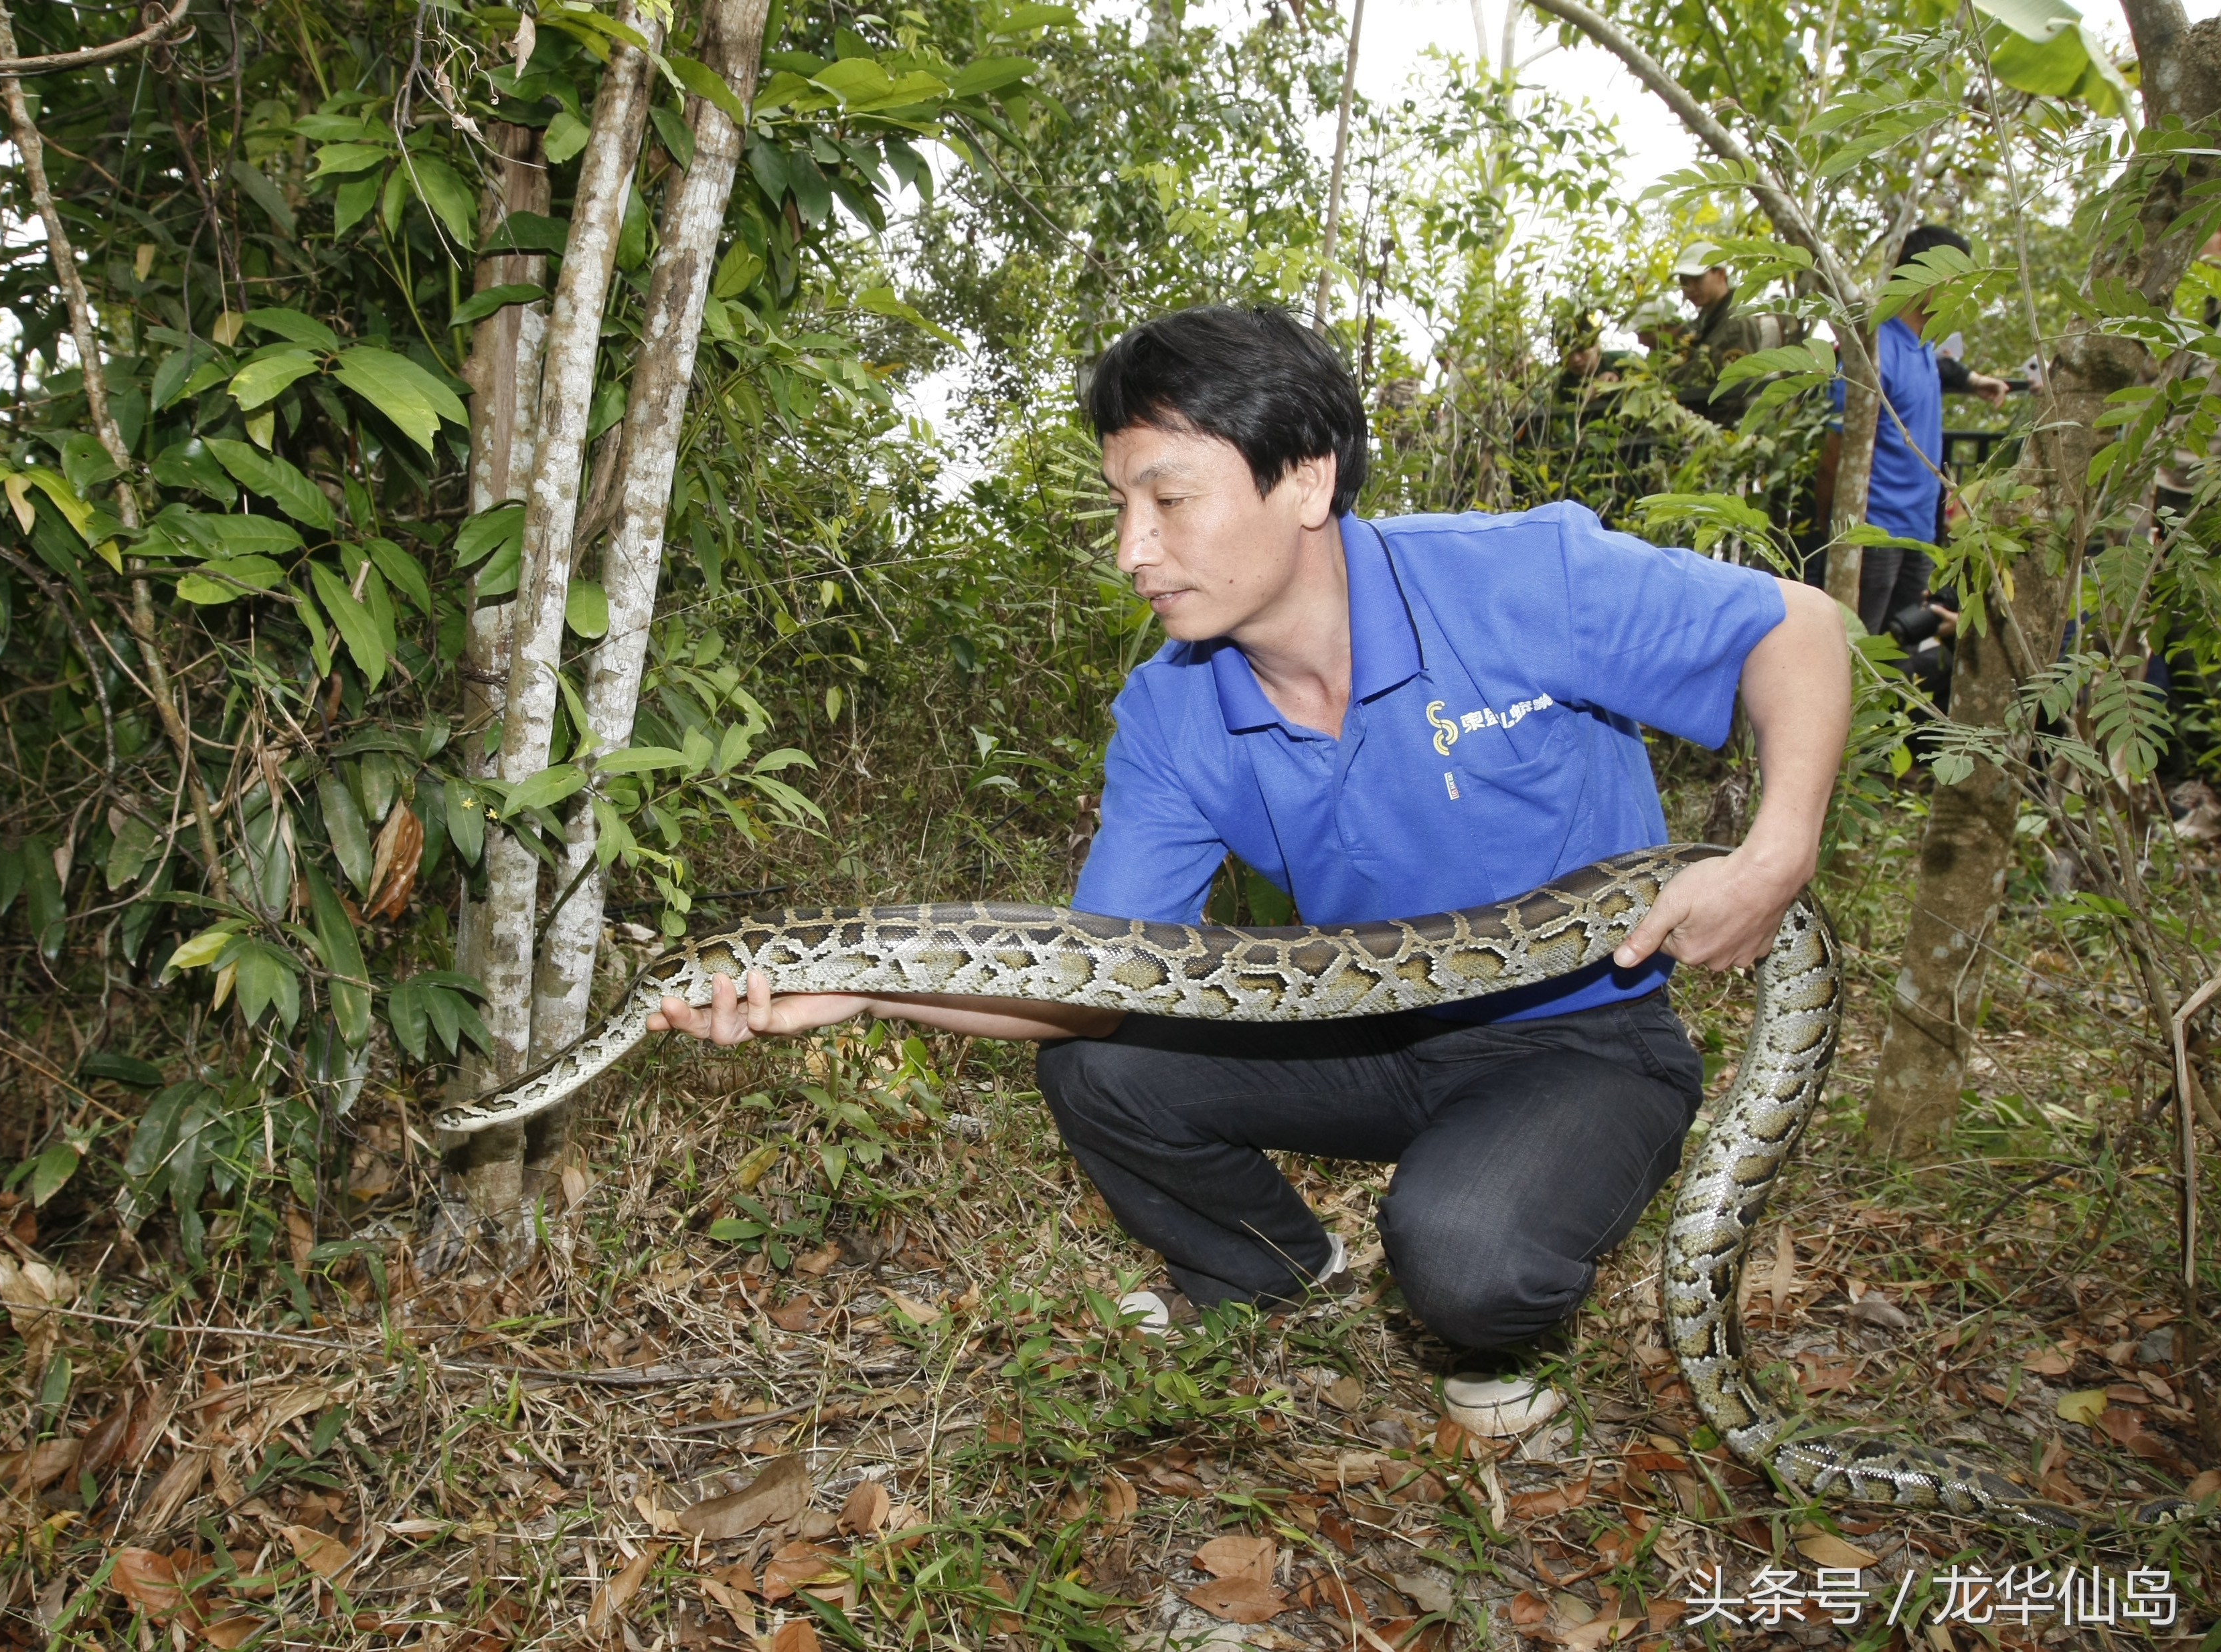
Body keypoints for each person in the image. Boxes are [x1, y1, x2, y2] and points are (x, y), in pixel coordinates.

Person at [649, 306, 1851, 1438]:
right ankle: (1264, 1264)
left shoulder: (1518, 578)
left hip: (1579, 1036)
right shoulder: (1171, 709)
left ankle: (1498, 1332)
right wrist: (865, 989)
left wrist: (1776, 852)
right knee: (1105, 1063)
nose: (1134, 549)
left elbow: (1793, 626)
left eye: (1170, 498)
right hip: (1358, 1029)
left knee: (1465, 1257)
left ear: (1307, 478)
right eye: (1121, 505)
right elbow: (1098, 973)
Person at [1817, 224, 2007, 633]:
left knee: (1899, 652)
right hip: (1874, 534)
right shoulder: (1870, 350)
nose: (1962, 293)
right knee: (1855, 651)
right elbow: (1836, 450)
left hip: (1920, 533)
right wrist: (1830, 531)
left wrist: (1974, 381)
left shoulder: (1920, 344)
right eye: (1956, 279)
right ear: (1927, 277)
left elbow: (1939, 367)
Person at [1667, 242, 1801, 426]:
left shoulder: (1736, 323)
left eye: (1697, 279)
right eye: (1684, 281)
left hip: (1718, 432)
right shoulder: (1705, 323)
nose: (1689, 288)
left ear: (1720, 274)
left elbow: (1733, 397)